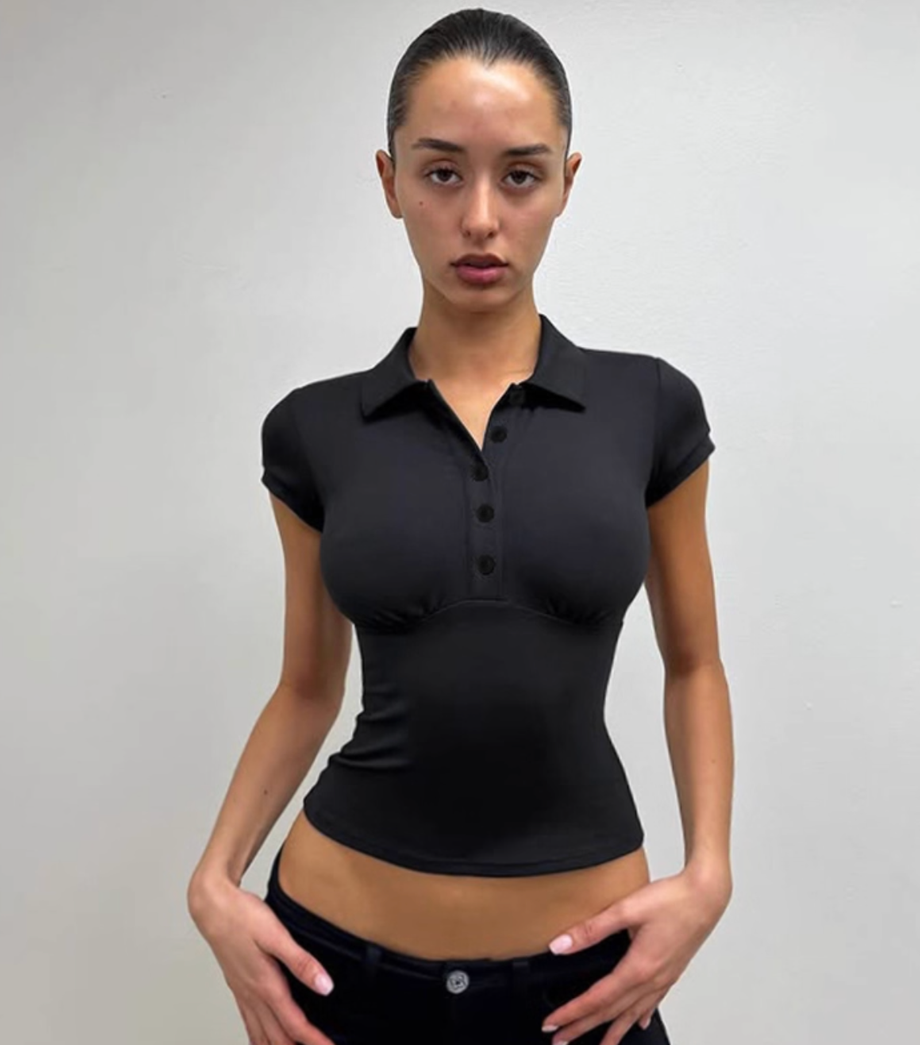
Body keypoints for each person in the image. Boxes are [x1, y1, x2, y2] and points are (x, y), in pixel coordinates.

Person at [187, 9, 734, 1045]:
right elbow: (307, 686)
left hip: (585, 986)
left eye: (520, 176)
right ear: (389, 179)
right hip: (337, 965)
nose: (480, 218)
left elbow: (695, 663)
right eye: (442, 173)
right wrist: (213, 879)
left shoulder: (651, 408)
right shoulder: (313, 430)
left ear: (566, 181)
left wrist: (709, 875)